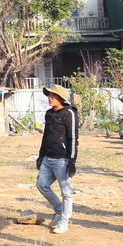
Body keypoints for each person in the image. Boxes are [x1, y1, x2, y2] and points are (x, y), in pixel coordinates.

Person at [36, 84, 78, 234]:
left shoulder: (69, 113)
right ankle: (59, 210)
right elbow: (45, 135)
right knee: (41, 185)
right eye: (49, 95)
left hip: (62, 159)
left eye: (53, 95)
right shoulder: (49, 114)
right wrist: (41, 156)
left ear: (61, 98)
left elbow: (73, 138)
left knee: (66, 192)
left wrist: (72, 161)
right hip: (48, 157)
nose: (50, 98)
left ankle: (64, 221)